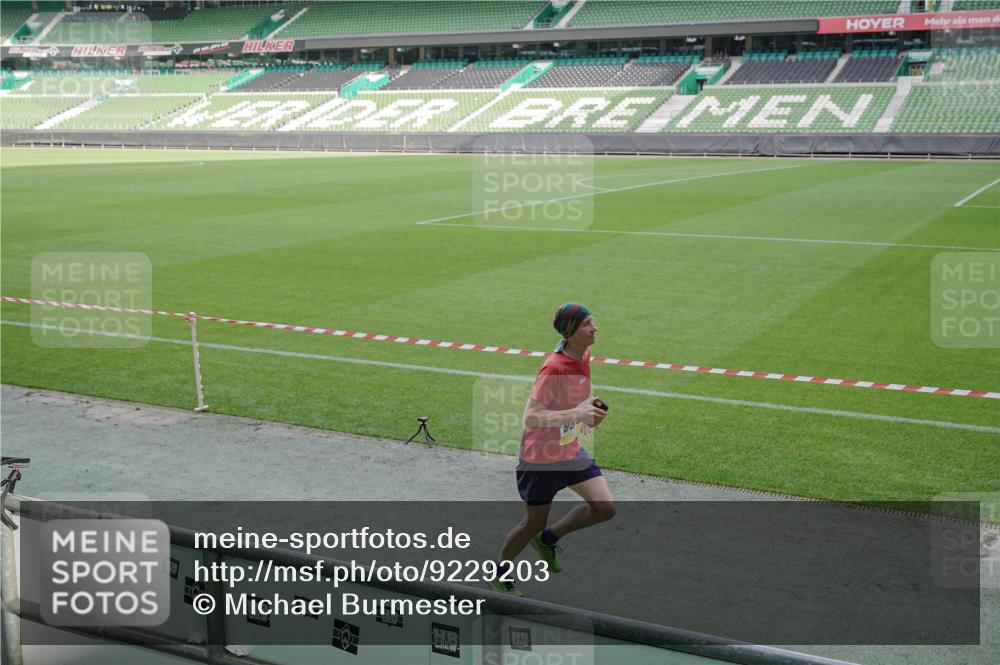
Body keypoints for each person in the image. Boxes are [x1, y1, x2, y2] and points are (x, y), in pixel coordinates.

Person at [492, 303, 616, 596]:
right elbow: (532, 416)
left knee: (605, 508)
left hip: (569, 451)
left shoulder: (583, 355)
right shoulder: (554, 368)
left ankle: (548, 539)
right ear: (571, 331)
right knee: (531, 522)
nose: (594, 327)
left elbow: (577, 397)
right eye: (587, 323)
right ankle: (502, 572)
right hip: (541, 460)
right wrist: (576, 413)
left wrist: (589, 415)